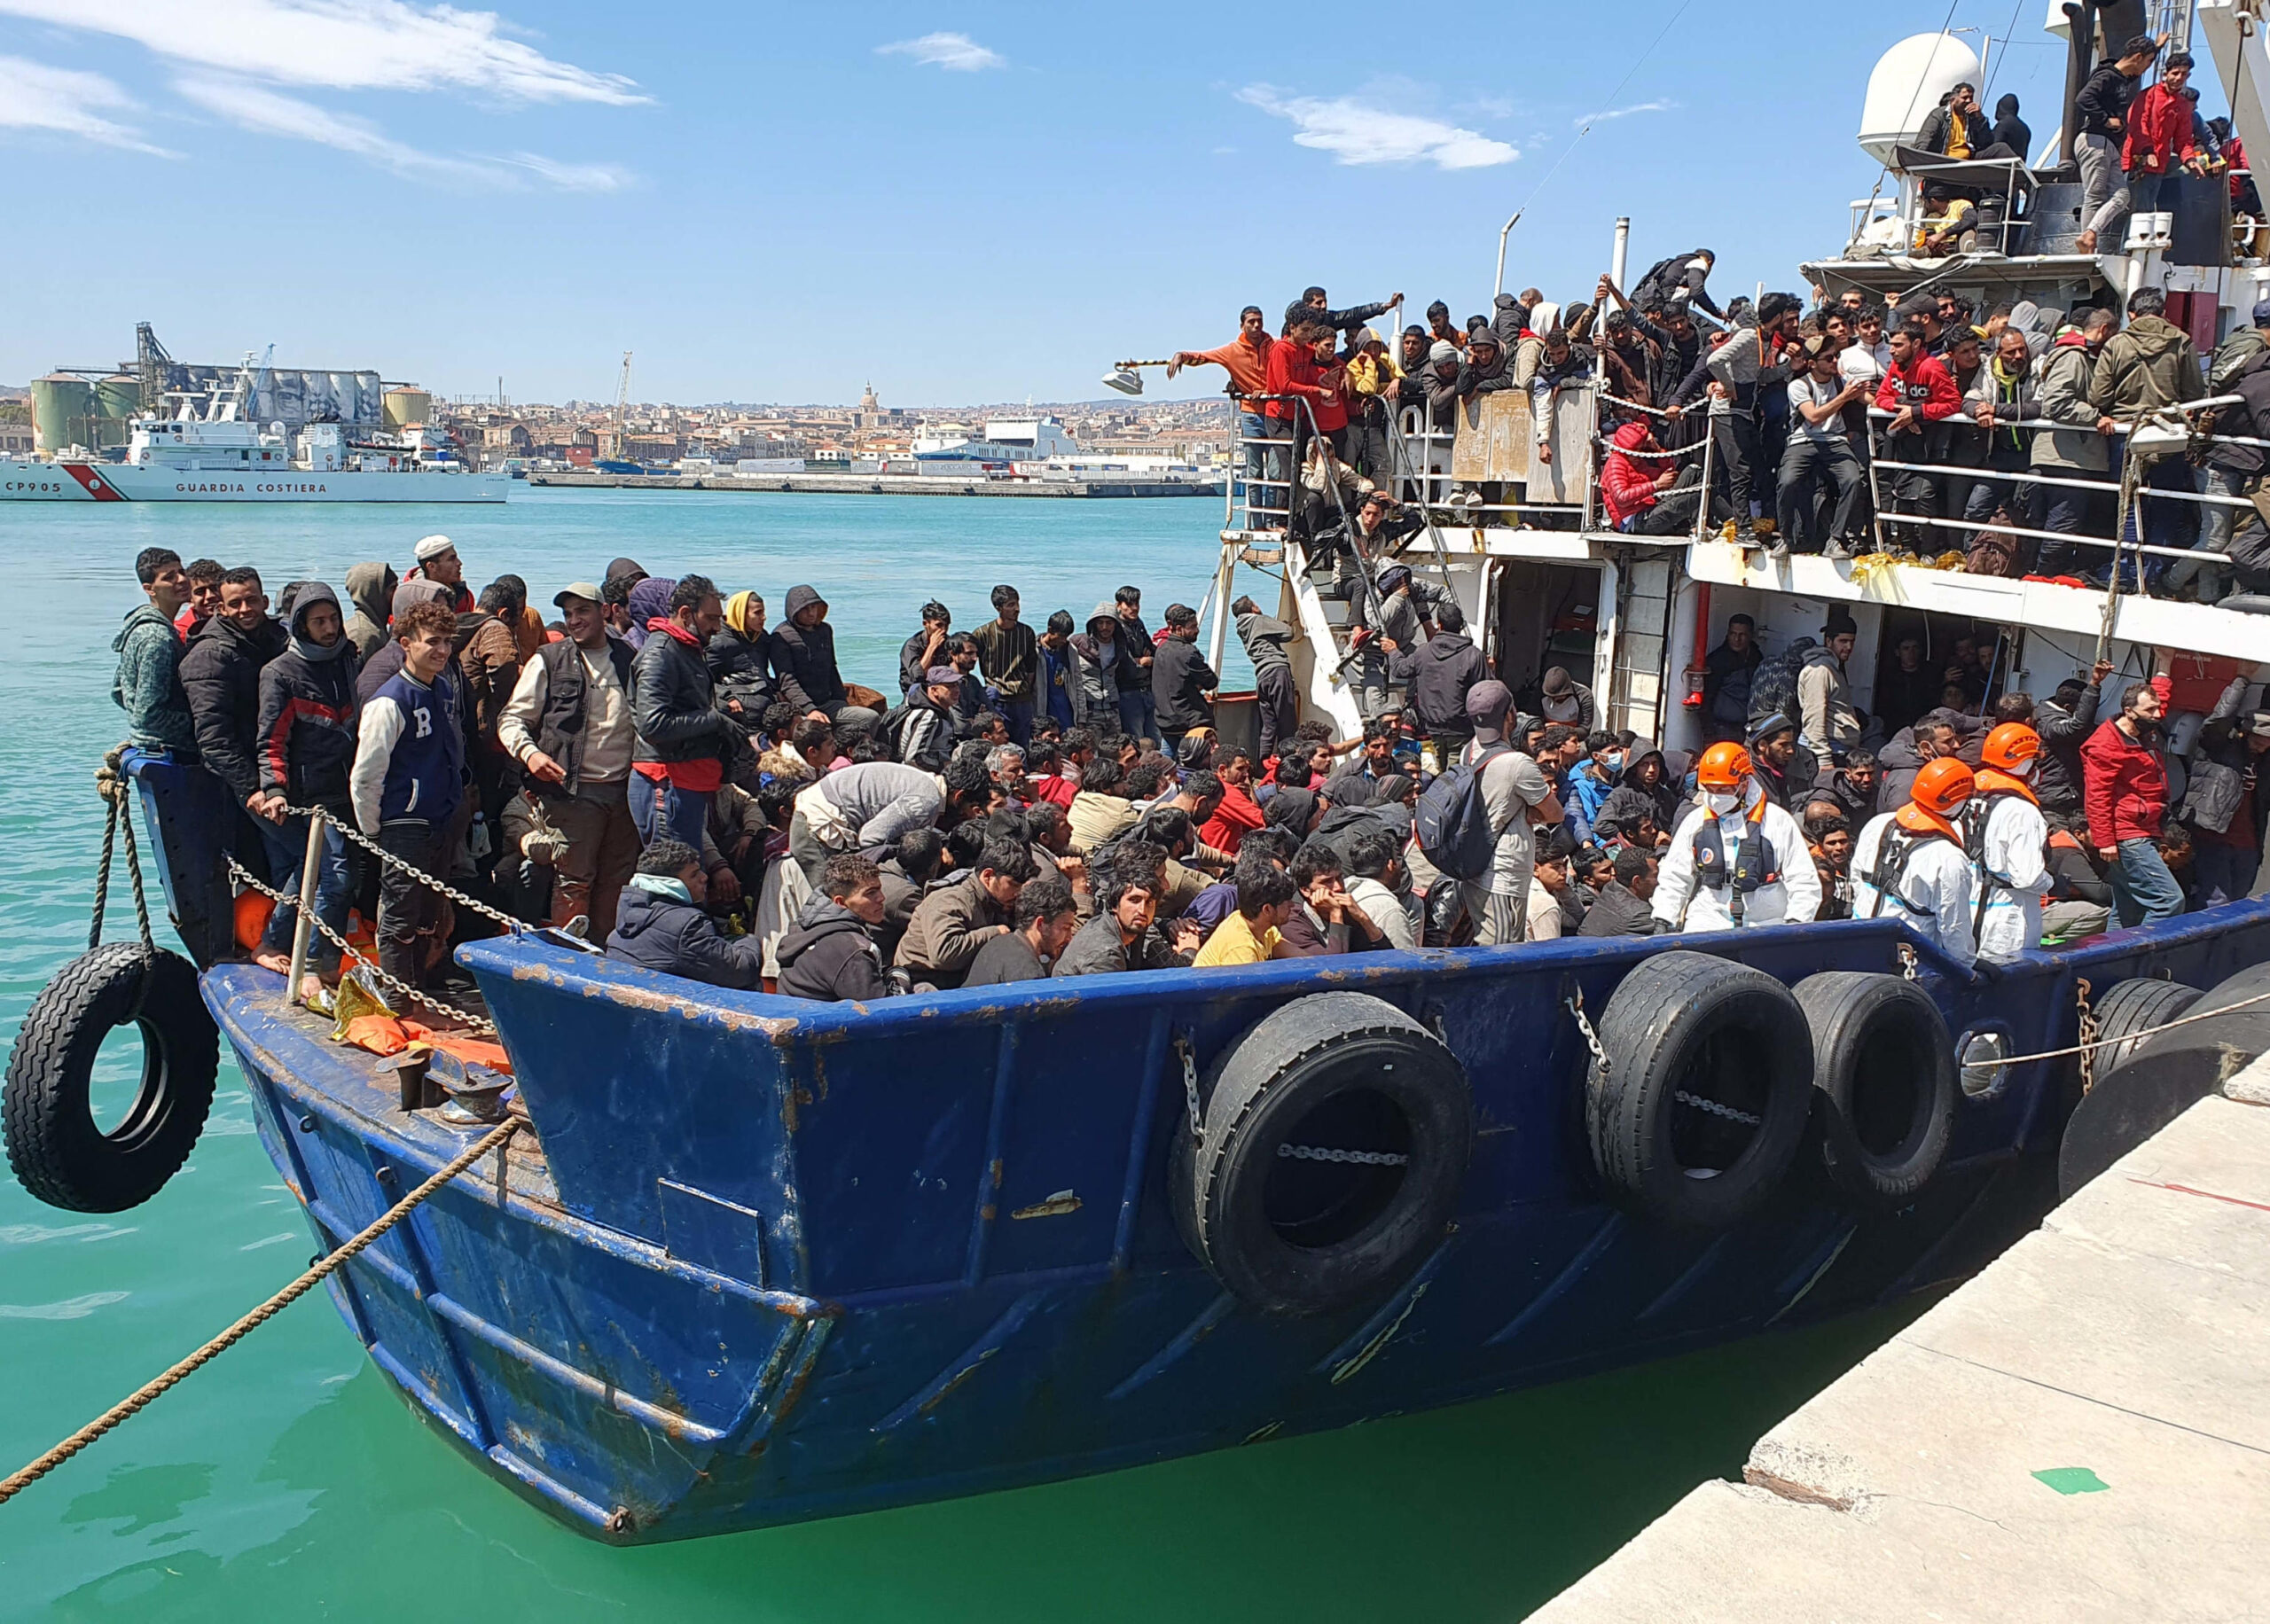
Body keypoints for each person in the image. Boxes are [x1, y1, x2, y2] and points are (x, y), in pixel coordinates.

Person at [497, 582, 642, 941]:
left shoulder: (629, 658)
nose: (574, 621)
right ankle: (568, 960)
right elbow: (511, 719)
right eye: (567, 615)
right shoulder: (548, 660)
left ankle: (606, 957)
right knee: (574, 882)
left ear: (604, 612)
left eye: (582, 612)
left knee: (617, 880)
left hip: (624, 791)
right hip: (572, 794)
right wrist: (531, 755)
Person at [348, 600, 466, 990]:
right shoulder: (389, 701)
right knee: (400, 915)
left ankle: (421, 990)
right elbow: (366, 774)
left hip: (439, 817)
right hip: (403, 820)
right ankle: (397, 999)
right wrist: (372, 831)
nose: (443, 651)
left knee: (429, 914)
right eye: (432, 642)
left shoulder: (443, 690)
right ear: (405, 644)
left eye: (448, 642)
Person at [248, 582, 357, 998]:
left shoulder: (348, 659)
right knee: (337, 876)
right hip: (309, 796)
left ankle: (272, 942)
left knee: (311, 874)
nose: (329, 629)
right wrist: (274, 788)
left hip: (345, 787)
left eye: (333, 619)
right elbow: (271, 740)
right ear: (301, 626)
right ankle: (317, 966)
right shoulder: (280, 673)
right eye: (319, 622)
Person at [2092, 287, 2204, 585]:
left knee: (2128, 504)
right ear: (2163, 313)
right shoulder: (2182, 342)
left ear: (2132, 314)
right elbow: (2194, 394)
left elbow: (2098, 395)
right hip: (2169, 434)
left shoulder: (2117, 343)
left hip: (2128, 435)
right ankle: (2153, 571)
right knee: (2167, 503)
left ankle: (2126, 571)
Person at [1652, 741, 1820, 932]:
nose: (1715, 796)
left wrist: (1796, 921)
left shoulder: (1777, 820)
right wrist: (1663, 918)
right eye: (1710, 788)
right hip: (1709, 915)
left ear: (1744, 784)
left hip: (1766, 920)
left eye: (1723, 789)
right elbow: (1675, 874)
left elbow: (1803, 879)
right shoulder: (1695, 820)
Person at [630, 574, 735, 856]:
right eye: (711, 618)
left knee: (686, 874)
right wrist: (714, 719)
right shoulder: (662, 654)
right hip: (666, 780)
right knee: (673, 877)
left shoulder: (686, 650)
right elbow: (653, 724)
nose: (717, 627)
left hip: (684, 779)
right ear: (686, 613)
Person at [1458, 681, 1561, 945]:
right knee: (1502, 954)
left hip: (1475, 865)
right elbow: (1555, 814)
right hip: (1503, 875)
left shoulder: (1467, 751)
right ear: (1510, 716)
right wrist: (1532, 810)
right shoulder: (1517, 763)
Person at [182, 566, 288, 822]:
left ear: (264, 601)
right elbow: (212, 736)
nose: (245, 610)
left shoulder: (277, 638)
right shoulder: (210, 656)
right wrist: (251, 787)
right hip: (243, 777)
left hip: (276, 766)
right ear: (222, 609)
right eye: (235, 603)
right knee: (293, 849)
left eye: (251, 600)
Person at [1851, 757, 1980, 964]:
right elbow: (1954, 926)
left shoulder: (1878, 824)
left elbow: (1856, 877)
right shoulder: (1948, 857)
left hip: (1859, 942)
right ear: (1958, 801)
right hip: (1909, 959)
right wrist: (1967, 966)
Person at [2082, 676, 2184, 925]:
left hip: (2142, 829)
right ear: (2129, 712)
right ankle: (2146, 954)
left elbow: (2157, 702)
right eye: (2150, 710)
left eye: (2157, 708)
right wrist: (2105, 841)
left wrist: (2163, 671)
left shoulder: (2142, 729)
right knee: (2169, 900)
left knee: (2129, 907)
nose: (2158, 715)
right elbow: (2097, 796)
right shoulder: (2106, 744)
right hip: (2128, 836)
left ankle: (2114, 959)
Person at [603, 838, 767, 990]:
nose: (704, 878)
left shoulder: (629, 908)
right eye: (694, 874)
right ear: (672, 884)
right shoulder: (688, 925)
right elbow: (739, 971)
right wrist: (748, 940)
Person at [2032, 307, 2118, 574]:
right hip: (2069, 455)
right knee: (2062, 523)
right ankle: (2045, 577)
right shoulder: (2074, 357)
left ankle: (2052, 573)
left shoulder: (2081, 356)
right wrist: (2095, 418)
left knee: (2066, 523)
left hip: (2071, 453)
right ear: (2104, 331)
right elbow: (2057, 403)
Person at [896, 835, 1034, 990]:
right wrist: (994, 932)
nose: (1018, 893)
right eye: (1013, 885)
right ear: (988, 876)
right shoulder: (951, 900)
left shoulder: (995, 903)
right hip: (923, 984)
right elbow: (944, 954)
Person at [1875, 322, 1962, 550]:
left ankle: (1929, 550)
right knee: (1902, 495)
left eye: (1898, 345)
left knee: (1925, 497)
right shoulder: (1896, 366)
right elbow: (1881, 397)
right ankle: (1908, 549)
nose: (1892, 350)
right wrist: (1905, 411)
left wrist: (1916, 413)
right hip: (1905, 440)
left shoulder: (1931, 367)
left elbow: (1953, 403)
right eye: (1891, 345)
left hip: (1932, 443)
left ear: (1915, 344)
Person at [789, 759, 945, 886]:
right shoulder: (927, 800)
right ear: (959, 796)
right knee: (833, 897)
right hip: (820, 825)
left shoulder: (928, 785)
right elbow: (869, 837)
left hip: (828, 816)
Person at [1053, 842, 1202, 974]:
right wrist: (1189, 948)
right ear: (1114, 905)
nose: (1142, 910)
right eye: (1134, 900)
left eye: (1149, 902)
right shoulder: (1104, 953)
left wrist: (1167, 924)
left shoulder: (1133, 926)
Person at [1779, 338, 1867, 558]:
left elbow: (1869, 399)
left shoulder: (1841, 380)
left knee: (1853, 479)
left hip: (1835, 441)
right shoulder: (1798, 386)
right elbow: (1814, 416)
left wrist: (1904, 410)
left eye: (1835, 355)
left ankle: (1835, 539)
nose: (1835, 361)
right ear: (1811, 363)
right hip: (1803, 441)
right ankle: (1785, 538)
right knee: (1787, 480)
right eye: (1828, 358)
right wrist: (1845, 397)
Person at [2183, 683, 2270, 907]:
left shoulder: (2265, 762)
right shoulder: (2220, 746)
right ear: (2246, 730)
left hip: (2248, 842)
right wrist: (2241, 681)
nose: (2263, 743)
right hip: (2215, 835)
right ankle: (2208, 942)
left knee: (2238, 903)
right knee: (2217, 901)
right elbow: (2218, 721)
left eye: (2268, 739)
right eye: (2258, 736)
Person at [1974, 723, 2052, 964]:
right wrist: (2051, 882)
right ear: (2025, 763)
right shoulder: (2022, 811)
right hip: (2007, 917)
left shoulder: (1971, 796)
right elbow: (2027, 878)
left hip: (1969, 905)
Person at [114, 548, 199, 755]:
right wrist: (201, 720)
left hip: (147, 746)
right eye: (169, 577)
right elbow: (149, 714)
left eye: (181, 572)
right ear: (150, 589)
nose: (181, 580)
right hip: (167, 749)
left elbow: (118, 691)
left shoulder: (140, 628)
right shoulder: (156, 638)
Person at [775, 853, 891, 1002]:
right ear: (840, 903)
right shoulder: (848, 949)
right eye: (870, 893)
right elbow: (878, 1010)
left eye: (879, 889)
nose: (881, 898)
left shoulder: (811, 927)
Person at [769, 585, 878, 731]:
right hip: (799, 708)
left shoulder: (825, 630)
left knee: (870, 717)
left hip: (828, 702)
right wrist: (810, 709)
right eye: (805, 609)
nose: (811, 613)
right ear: (794, 611)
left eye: (814, 607)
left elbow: (832, 669)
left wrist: (841, 701)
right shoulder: (782, 636)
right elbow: (788, 682)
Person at [964, 873, 1080, 985]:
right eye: (1065, 928)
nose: (1069, 938)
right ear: (1041, 924)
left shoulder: (998, 944)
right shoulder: (1027, 973)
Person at [1227, 594, 1300, 763]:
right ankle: (1290, 762)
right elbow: (1289, 633)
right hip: (1277, 671)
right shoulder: (1259, 621)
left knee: (1269, 725)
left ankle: (1263, 761)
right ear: (1254, 608)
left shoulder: (1243, 627)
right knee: (1286, 721)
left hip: (1262, 676)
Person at [1193, 859, 1300, 965]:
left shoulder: (1261, 927)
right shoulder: (1240, 949)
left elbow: (1303, 958)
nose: (1292, 905)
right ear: (1267, 909)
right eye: (1287, 901)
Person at [969, 584, 1040, 745]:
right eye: (1011, 605)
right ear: (998, 608)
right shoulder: (982, 634)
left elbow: (1031, 667)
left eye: (1017, 603)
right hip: (998, 701)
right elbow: (969, 662)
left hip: (1022, 702)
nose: (1017, 609)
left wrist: (1026, 691)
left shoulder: (1026, 632)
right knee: (999, 746)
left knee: (1023, 746)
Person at [1798, 612, 1862, 769]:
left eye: (1852, 641)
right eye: (1843, 641)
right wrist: (1824, 759)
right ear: (1828, 641)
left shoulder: (1834, 667)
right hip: (1823, 753)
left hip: (1836, 749)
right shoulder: (1820, 670)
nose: (1848, 647)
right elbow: (1814, 714)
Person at [1150, 603, 1216, 754]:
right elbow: (1211, 681)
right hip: (1189, 721)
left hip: (1165, 719)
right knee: (1195, 763)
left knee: (1168, 764)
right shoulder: (1188, 653)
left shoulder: (1161, 649)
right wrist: (1196, 684)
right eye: (1192, 627)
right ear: (1179, 629)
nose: (1197, 631)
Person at [708, 590, 775, 730]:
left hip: (766, 706)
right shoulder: (720, 642)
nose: (764, 618)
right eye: (757, 613)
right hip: (742, 713)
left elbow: (760, 673)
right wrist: (727, 698)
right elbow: (702, 678)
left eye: (763, 612)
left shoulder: (761, 638)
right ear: (741, 613)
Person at [1702, 614, 1764, 738]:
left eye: (1742, 635)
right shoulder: (1717, 660)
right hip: (1721, 727)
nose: (1737, 639)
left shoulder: (1756, 656)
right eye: (1733, 634)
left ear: (1751, 635)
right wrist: (1708, 732)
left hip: (1749, 726)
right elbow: (1707, 698)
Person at [1577, 846, 1660, 936]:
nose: (1658, 882)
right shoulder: (1638, 915)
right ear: (1637, 882)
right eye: (1655, 876)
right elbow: (1668, 937)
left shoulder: (1610, 888)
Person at [1111, 587, 1158, 744]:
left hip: (1147, 688)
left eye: (1137, 603)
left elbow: (1151, 650)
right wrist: (1140, 662)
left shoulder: (1138, 624)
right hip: (1128, 691)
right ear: (1119, 605)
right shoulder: (1116, 628)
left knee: (1154, 739)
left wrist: (1146, 660)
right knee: (1136, 740)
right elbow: (1127, 664)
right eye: (1129, 604)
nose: (1135, 608)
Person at [342, 561, 396, 662]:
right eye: (392, 588)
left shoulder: (377, 627)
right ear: (374, 593)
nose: (397, 593)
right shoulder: (362, 636)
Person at [404, 535, 473, 614]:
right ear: (431, 566)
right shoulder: (409, 599)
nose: (459, 563)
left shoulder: (462, 592)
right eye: (451, 559)